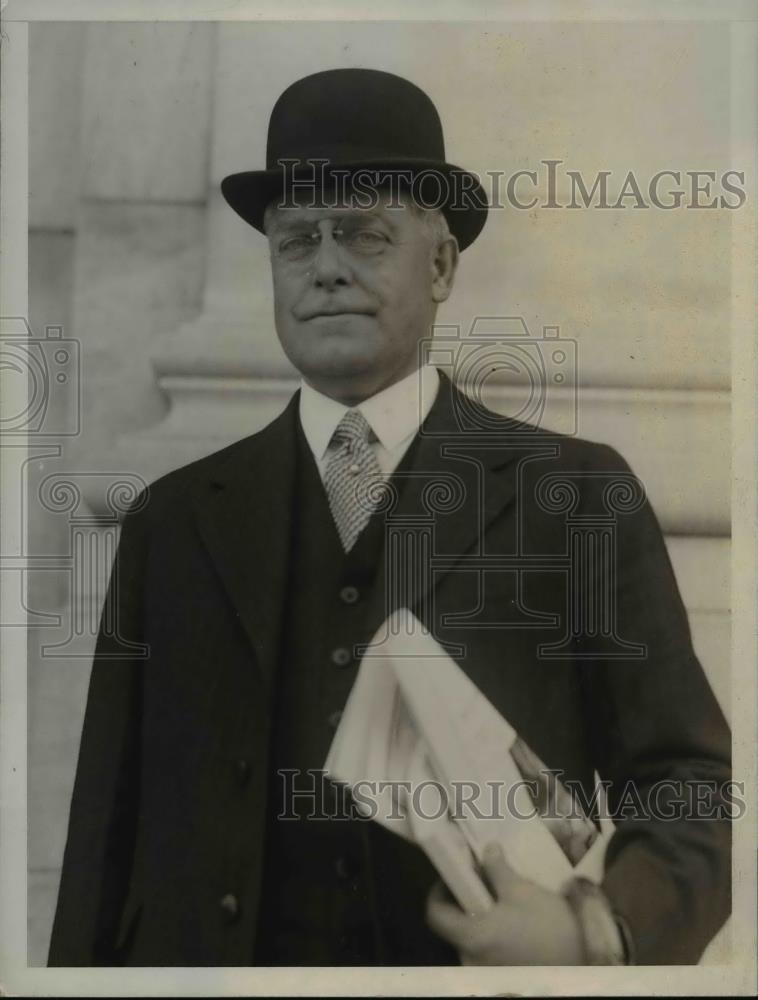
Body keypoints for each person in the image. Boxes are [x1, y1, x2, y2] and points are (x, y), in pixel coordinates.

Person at [48, 68, 731, 968]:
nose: (326, 265)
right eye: (297, 242)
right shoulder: (171, 523)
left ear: (441, 263)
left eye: (364, 235)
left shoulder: (577, 500)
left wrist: (590, 929)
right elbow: (105, 840)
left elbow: (689, 788)